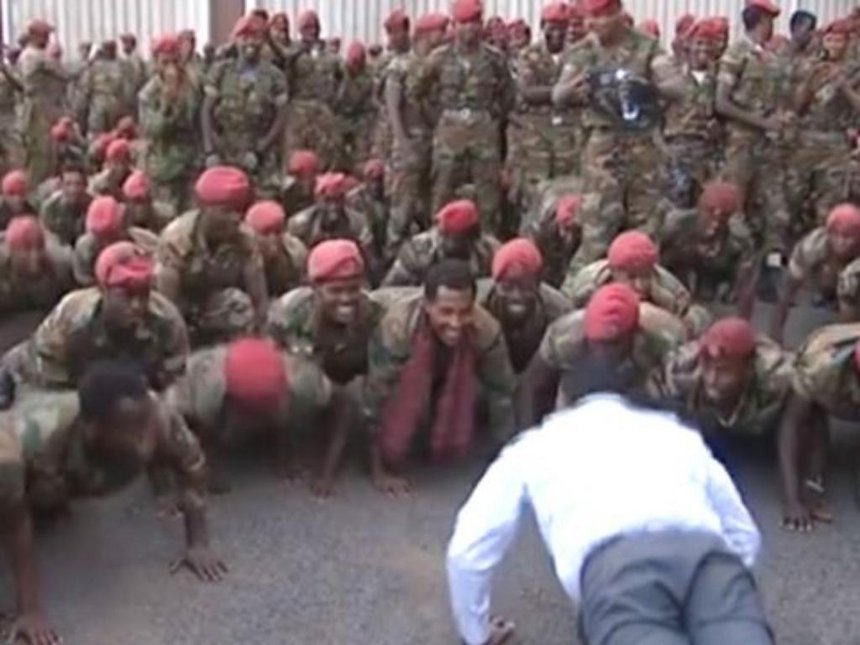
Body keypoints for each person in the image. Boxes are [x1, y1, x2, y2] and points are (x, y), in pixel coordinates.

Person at [446, 372, 768, 645]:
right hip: (709, 557)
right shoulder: (675, 433)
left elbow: (468, 550)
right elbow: (743, 533)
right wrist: (724, 590)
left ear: (563, 399)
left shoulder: (535, 445)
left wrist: (476, 634)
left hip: (618, 571)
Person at [0, 361, 226, 645]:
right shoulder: (34, 436)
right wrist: (30, 610)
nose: (145, 436)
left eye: (145, 422)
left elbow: (192, 467)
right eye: (132, 428)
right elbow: (15, 524)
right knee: (22, 494)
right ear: (94, 428)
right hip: (25, 467)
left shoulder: (155, 415)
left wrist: (198, 542)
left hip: (73, 469)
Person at [366, 259, 517, 496]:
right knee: (404, 389)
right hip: (375, 325)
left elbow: (502, 392)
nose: (455, 323)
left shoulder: (485, 329)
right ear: (427, 305)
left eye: (464, 311)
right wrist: (380, 469)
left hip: (448, 354)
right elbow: (375, 396)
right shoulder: (398, 325)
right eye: (446, 312)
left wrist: (507, 461)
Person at [552, 0, 682, 267]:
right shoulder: (583, 51)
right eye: (588, 17)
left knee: (644, 232)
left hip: (643, 149)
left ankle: (640, 297)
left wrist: (646, 88)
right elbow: (558, 94)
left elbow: (677, 87)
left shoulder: (646, 47)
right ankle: (582, 295)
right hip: (602, 152)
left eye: (598, 17)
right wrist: (571, 92)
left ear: (617, 15)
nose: (591, 24)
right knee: (597, 231)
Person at [165, 337, 351, 497]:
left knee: (296, 411)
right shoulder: (204, 390)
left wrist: (328, 473)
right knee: (201, 424)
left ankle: (281, 446)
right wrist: (198, 469)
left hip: (278, 384)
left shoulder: (304, 382)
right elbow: (170, 423)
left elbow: (344, 403)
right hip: (218, 384)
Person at [518, 283, 687, 426]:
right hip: (576, 398)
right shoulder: (564, 335)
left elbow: (676, 402)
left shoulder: (664, 338)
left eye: (612, 344)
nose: (604, 352)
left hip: (637, 400)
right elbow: (533, 386)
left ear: (634, 333)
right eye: (598, 343)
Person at [412, 0, 514, 230]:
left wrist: (492, 116)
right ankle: (437, 242)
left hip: (483, 132)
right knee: (442, 192)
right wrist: (437, 118)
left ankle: (488, 246)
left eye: (474, 22)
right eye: (463, 23)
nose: (469, 29)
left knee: (489, 196)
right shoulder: (439, 58)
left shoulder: (494, 58)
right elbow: (417, 91)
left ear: (481, 25)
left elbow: (508, 94)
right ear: (455, 26)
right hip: (450, 132)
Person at [716, 1, 793, 302]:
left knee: (778, 214)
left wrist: (780, 118)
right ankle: (734, 281)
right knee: (735, 214)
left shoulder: (770, 57)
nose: (772, 25)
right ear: (758, 20)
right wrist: (763, 122)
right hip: (742, 145)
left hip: (768, 148)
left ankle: (771, 277)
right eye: (770, 19)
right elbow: (721, 103)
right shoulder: (737, 54)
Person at [653, 317, 794, 460]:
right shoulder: (682, 369)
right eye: (708, 367)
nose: (712, 379)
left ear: (748, 368)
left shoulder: (778, 379)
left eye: (724, 371)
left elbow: (800, 417)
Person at [155, 166, 268, 344]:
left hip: (215, 305)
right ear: (203, 208)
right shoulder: (176, 239)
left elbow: (259, 300)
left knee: (239, 304)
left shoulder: (245, 239)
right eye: (227, 211)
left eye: (240, 210)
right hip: (181, 308)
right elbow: (166, 307)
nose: (236, 218)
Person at [267, 239, 384, 386]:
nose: (346, 298)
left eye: (353, 289)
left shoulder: (375, 316)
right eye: (335, 291)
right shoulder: (288, 313)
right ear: (314, 288)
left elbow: (380, 379)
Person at [779, 322, 860, 531]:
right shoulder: (819, 366)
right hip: (824, 375)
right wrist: (793, 500)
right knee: (809, 413)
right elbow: (791, 425)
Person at [383, 13, 447, 260]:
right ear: (427, 35)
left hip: (433, 143)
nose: (443, 37)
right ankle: (392, 259)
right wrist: (402, 141)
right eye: (439, 32)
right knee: (402, 208)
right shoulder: (401, 65)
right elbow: (393, 107)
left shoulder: (438, 64)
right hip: (410, 143)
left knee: (431, 206)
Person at [564, 230, 710, 335]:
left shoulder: (669, 287)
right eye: (631, 277)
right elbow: (564, 315)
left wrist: (676, 324)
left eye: (646, 276)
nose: (639, 285)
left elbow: (699, 316)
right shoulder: (587, 282)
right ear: (614, 272)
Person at [788, 18, 860, 230]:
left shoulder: (855, 71)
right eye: (830, 40)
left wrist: (844, 86)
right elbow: (796, 107)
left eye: (839, 41)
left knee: (829, 203)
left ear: (848, 43)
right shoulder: (810, 65)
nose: (834, 45)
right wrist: (809, 83)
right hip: (806, 141)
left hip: (835, 144)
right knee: (794, 199)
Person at [202, 16, 288, 195]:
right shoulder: (221, 71)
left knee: (263, 206)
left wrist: (259, 150)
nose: (250, 43)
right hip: (226, 153)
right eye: (244, 37)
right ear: (235, 40)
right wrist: (210, 151)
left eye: (255, 37)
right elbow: (206, 112)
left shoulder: (275, 76)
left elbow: (281, 118)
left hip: (262, 158)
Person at [508, 2, 581, 212]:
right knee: (533, 193)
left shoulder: (578, 55)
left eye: (562, 26)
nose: (557, 32)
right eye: (552, 26)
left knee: (567, 191)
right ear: (542, 26)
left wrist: (548, 93)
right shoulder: (528, 55)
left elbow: (583, 93)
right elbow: (527, 92)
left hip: (568, 136)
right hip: (535, 136)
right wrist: (562, 92)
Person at [659, 180, 757, 312]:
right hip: (674, 274)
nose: (715, 224)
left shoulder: (739, 238)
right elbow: (651, 265)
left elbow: (746, 287)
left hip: (713, 276)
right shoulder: (675, 225)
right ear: (700, 209)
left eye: (723, 218)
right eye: (710, 214)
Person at [770, 204, 860, 343]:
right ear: (829, 233)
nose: (842, 242)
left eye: (848, 237)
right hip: (825, 278)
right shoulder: (812, 246)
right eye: (837, 235)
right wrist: (775, 333)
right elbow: (788, 289)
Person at [479, 238, 571, 373]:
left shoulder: (560, 311)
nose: (516, 295)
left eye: (525, 286)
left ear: (538, 284)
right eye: (507, 287)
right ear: (496, 283)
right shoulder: (476, 303)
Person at [663, 18, 723, 208]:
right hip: (678, 150)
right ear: (689, 45)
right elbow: (655, 115)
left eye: (708, 43)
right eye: (699, 42)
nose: (703, 49)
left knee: (707, 206)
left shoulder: (719, 79)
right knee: (676, 208)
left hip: (708, 153)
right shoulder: (673, 75)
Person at [139, 34, 201, 214]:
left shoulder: (192, 85)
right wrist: (167, 104)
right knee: (166, 216)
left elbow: (198, 120)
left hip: (191, 164)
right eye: (165, 62)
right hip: (164, 167)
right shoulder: (149, 94)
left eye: (175, 61)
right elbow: (153, 129)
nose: (171, 68)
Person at [383, 199, 500, 286]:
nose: (439, 238)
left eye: (449, 236)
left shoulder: (489, 251)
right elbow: (389, 290)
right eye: (441, 233)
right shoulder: (418, 251)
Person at [281, 10, 343, 169]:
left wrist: (336, 98)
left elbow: (343, 75)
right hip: (299, 110)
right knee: (296, 159)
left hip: (323, 110)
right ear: (300, 30)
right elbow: (284, 76)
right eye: (307, 27)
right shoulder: (293, 52)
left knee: (326, 158)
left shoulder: (327, 53)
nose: (312, 31)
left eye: (314, 27)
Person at [18, 20, 70, 184]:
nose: (48, 39)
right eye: (45, 35)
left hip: (42, 108)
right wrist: (89, 63)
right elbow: (65, 74)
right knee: (42, 154)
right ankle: (36, 190)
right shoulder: (35, 55)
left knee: (48, 152)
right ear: (34, 36)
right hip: (38, 110)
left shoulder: (32, 55)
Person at [72, 195, 158, 286]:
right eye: (101, 237)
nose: (106, 241)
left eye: (112, 235)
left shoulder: (144, 240)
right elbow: (83, 279)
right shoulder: (84, 247)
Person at [0, 215, 73, 314]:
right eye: (26, 250)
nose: (34, 256)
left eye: (39, 247)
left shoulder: (61, 264)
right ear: (12, 251)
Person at [287, 172, 373, 252]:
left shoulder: (358, 223)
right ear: (317, 199)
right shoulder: (300, 224)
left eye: (338, 200)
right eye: (328, 200)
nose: (333, 207)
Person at [244, 200, 308, 297]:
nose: (272, 239)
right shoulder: (240, 255)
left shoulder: (295, 252)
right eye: (265, 234)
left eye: (278, 232)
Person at [336, 41, 376, 172]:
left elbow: (364, 99)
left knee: (362, 153)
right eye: (353, 63)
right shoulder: (340, 72)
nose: (355, 67)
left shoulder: (369, 75)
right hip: (341, 118)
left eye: (358, 63)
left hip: (361, 118)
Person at [76, 39, 125, 136]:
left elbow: (85, 89)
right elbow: (125, 90)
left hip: (98, 105)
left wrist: (80, 111)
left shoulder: (93, 67)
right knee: (114, 135)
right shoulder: (121, 67)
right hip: (115, 105)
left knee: (96, 136)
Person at [281, 149, 320, 216]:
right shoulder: (288, 192)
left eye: (299, 174)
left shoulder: (322, 192)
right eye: (294, 174)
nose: (296, 179)